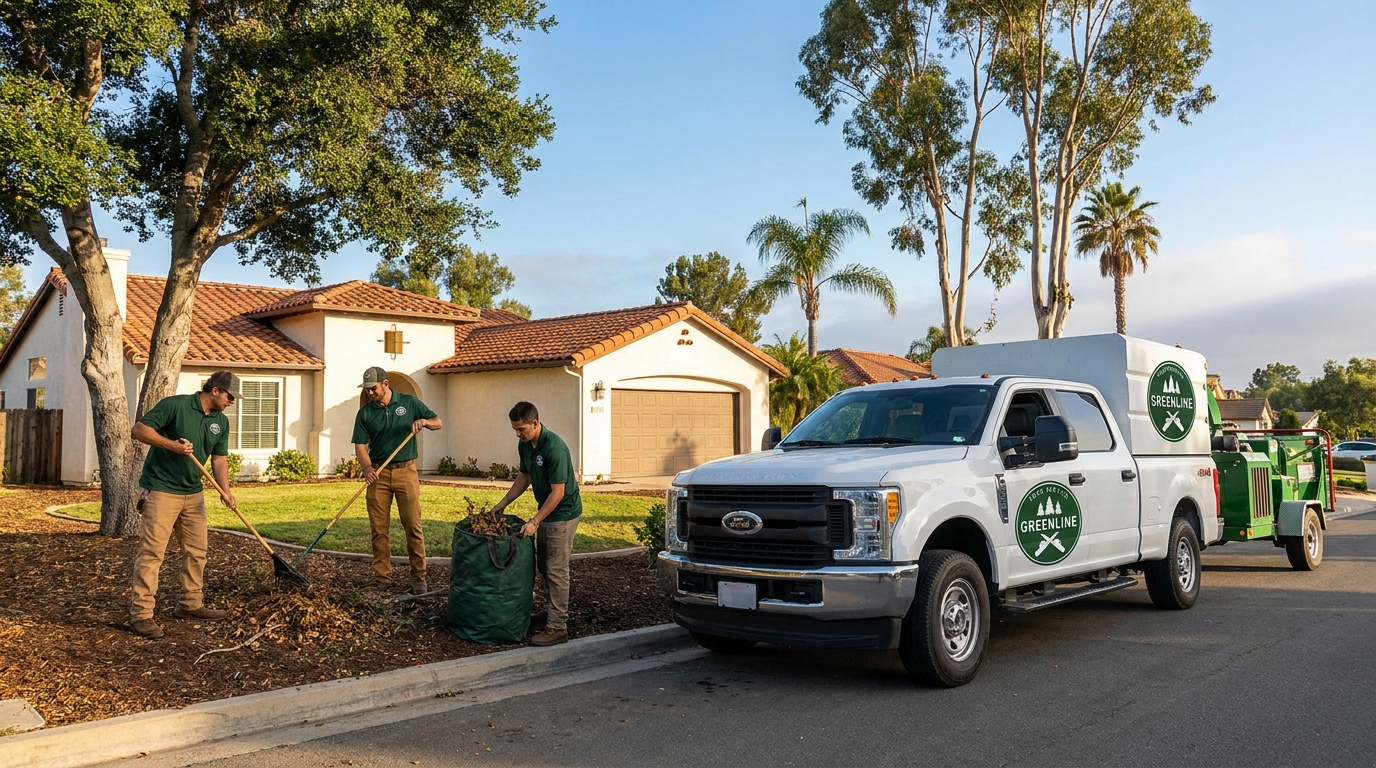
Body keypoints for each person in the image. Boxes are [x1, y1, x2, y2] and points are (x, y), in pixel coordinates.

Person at [128, 370, 239, 639]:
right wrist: (172, 446)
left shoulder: (220, 422)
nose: (232, 401)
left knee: (197, 551)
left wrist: (225, 491)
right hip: (162, 489)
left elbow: (219, 459)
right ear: (215, 390)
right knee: (152, 553)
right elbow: (139, 430)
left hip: (194, 492)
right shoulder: (175, 406)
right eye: (230, 395)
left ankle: (190, 604)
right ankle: (141, 615)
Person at [490, 401, 582, 647]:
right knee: (544, 566)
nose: (518, 434)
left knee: (556, 570)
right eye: (515, 430)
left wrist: (534, 521)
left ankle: (557, 627)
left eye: (521, 429)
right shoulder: (526, 444)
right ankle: (553, 613)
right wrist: (503, 503)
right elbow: (525, 476)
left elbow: (558, 492)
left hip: (562, 513)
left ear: (535, 423)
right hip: (549, 511)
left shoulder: (555, 448)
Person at [352, 366, 442, 594]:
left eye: (373, 388)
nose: (370, 393)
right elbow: (360, 446)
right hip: (378, 475)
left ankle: (419, 577)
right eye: (367, 389)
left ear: (386, 383)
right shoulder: (365, 413)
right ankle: (383, 578)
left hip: (406, 472)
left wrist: (425, 423)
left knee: (412, 525)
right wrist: (367, 467)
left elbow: (438, 421)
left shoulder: (409, 403)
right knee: (379, 529)